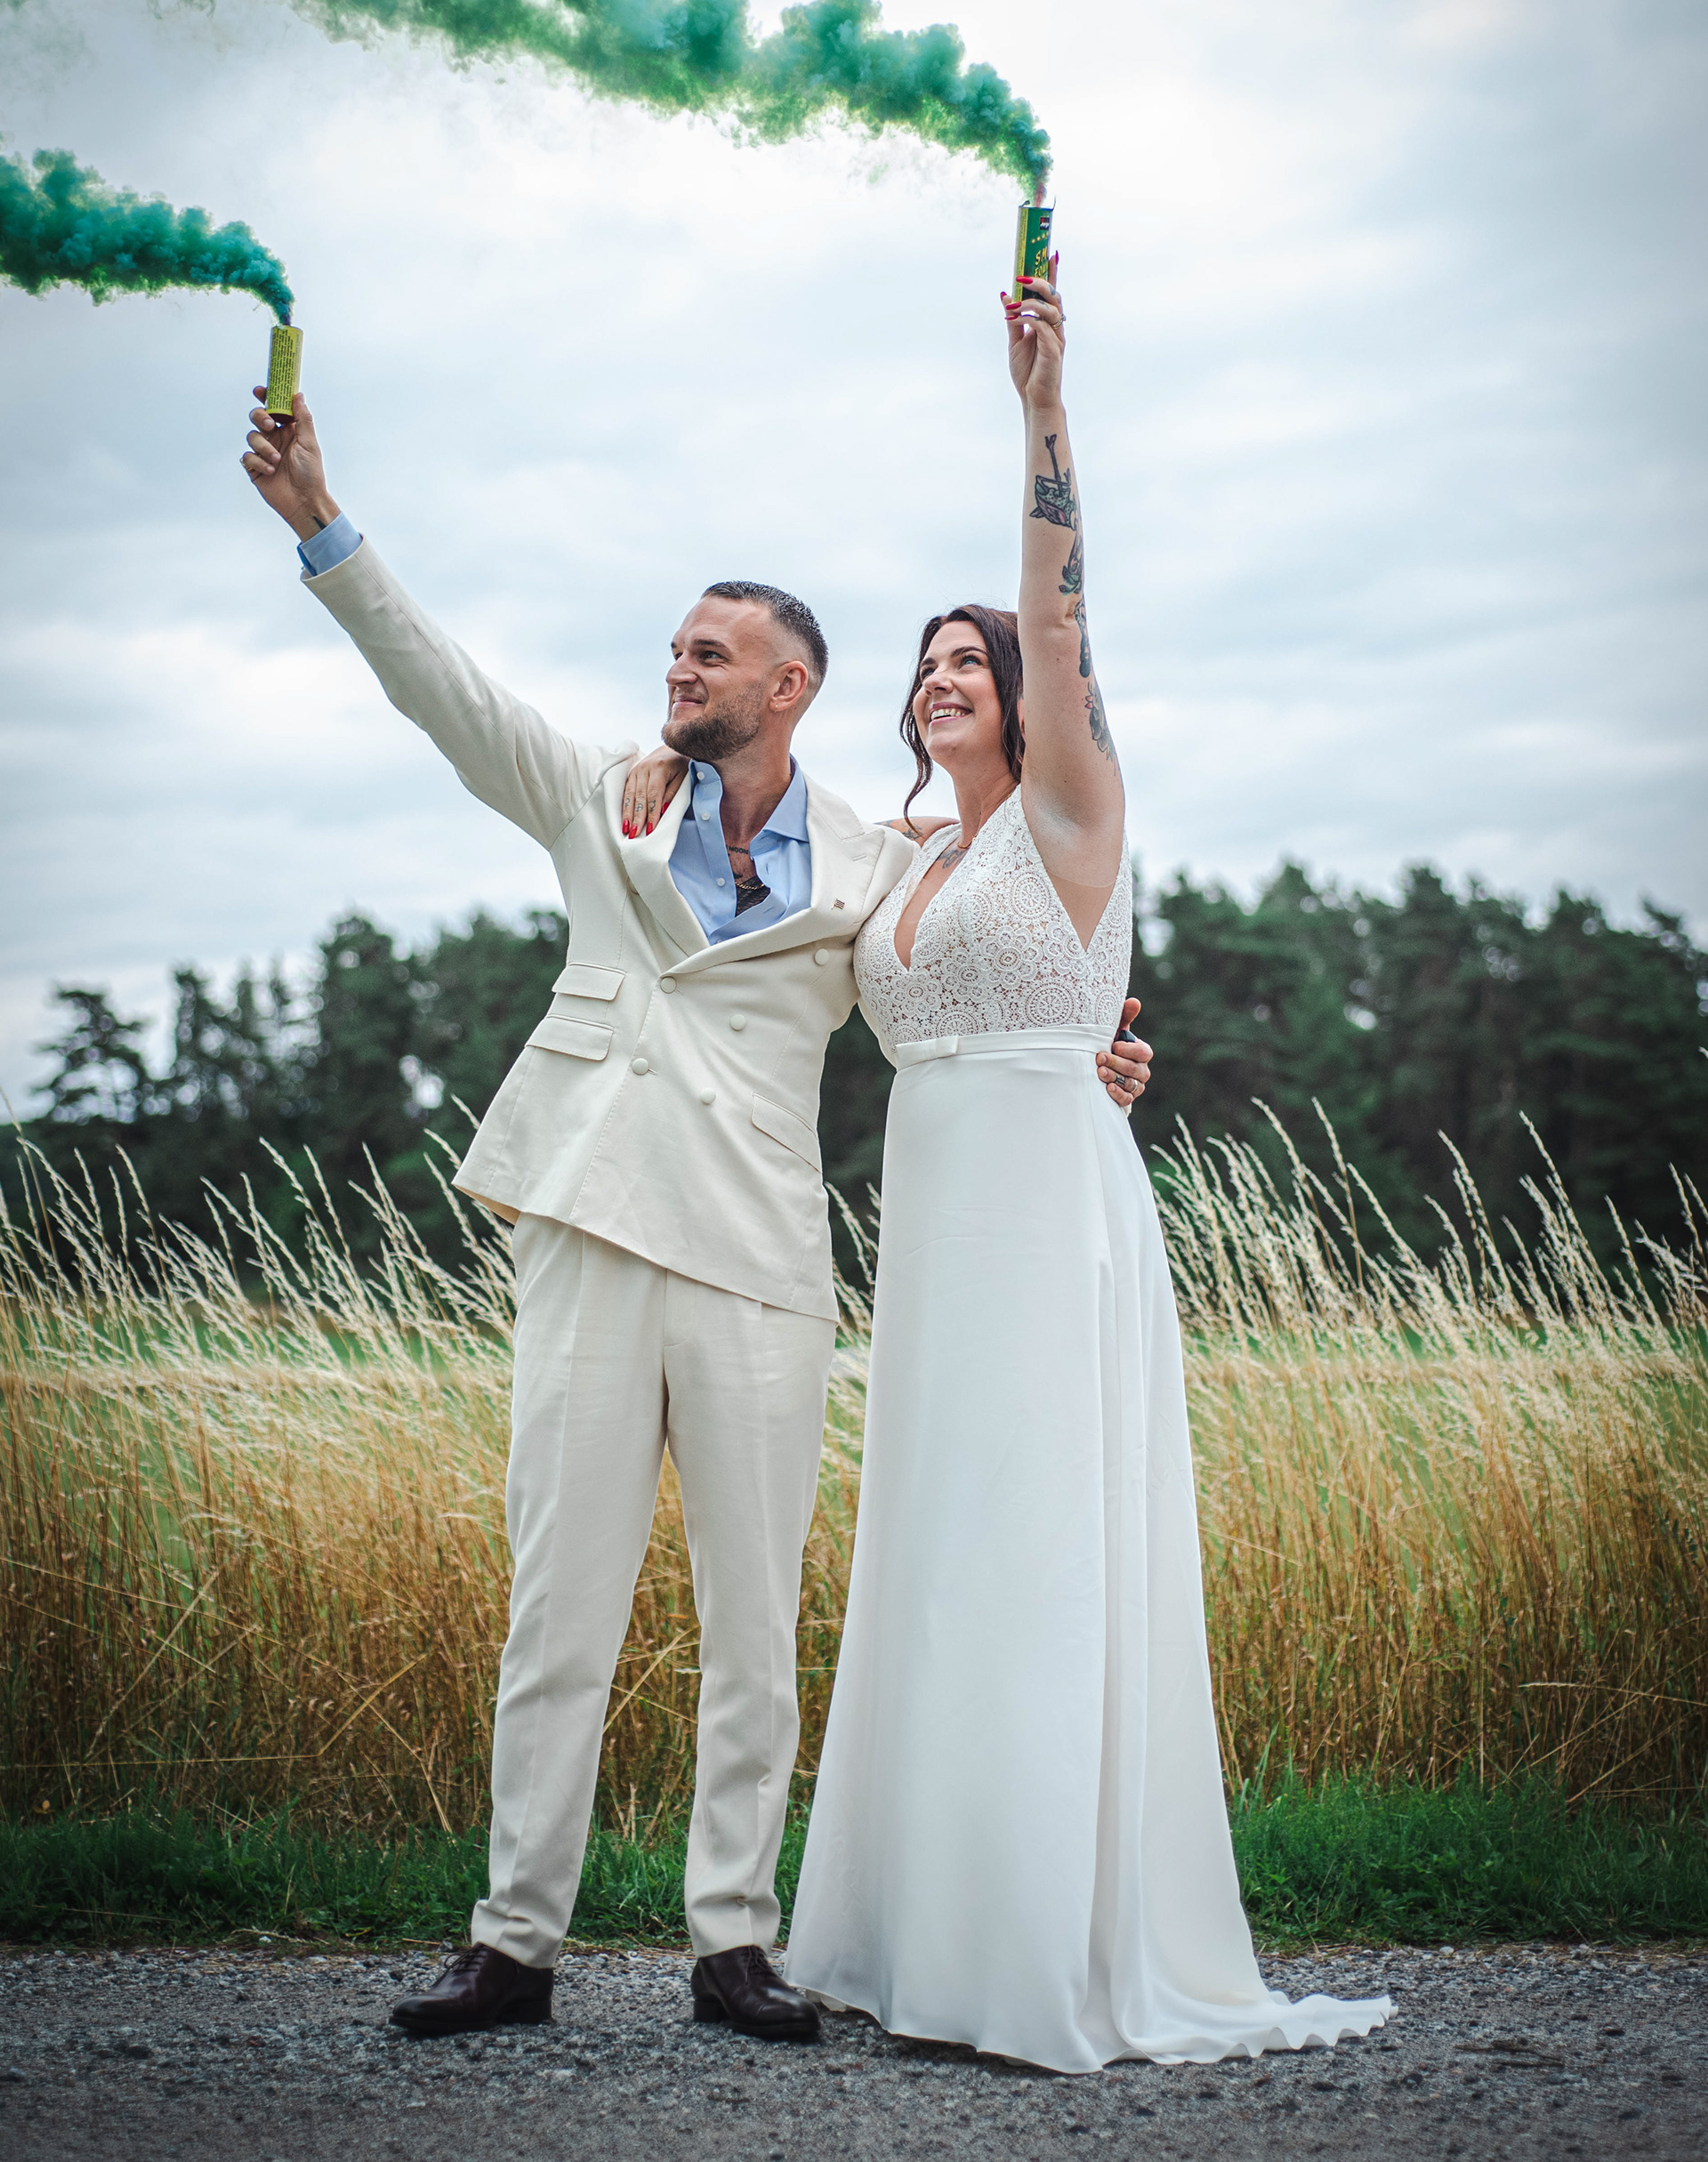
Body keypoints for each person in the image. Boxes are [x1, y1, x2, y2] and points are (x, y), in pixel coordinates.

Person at [237, 383, 1149, 2047]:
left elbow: (989, 962)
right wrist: (321, 522)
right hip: (589, 1232)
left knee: (755, 1628)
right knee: (557, 1611)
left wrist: (1086, 1057)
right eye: (674, 652)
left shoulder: (879, 861)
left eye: (711, 655)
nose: (680, 672)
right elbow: (442, 689)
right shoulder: (605, 796)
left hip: (760, 1266)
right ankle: (512, 1943)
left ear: (789, 687)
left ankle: (735, 1940)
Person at [773, 277, 1396, 2071]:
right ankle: (917, 1937)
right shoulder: (902, 853)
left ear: (1026, 699)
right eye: (928, 666)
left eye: (971, 663)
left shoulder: (1073, 814)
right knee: (940, 1549)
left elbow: (1058, 609)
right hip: (937, 1218)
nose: (944, 678)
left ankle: (1041, 1953)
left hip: (1050, 1208)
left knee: (1039, 1544)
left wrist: (1042, 411)